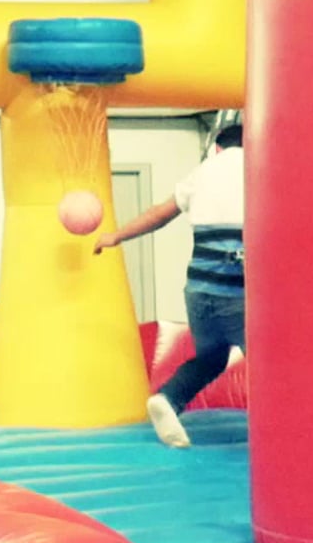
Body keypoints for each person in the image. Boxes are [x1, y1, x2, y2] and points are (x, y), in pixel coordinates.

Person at [95, 122, 244, 448]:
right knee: (270, 365)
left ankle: (168, 397)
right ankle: (282, 430)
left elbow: (159, 214)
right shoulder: (257, 168)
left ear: (217, 148)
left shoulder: (202, 172)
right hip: (238, 292)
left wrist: (116, 236)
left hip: (199, 292)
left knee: (211, 358)